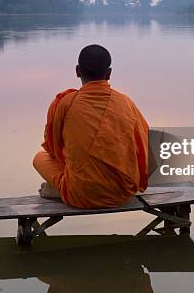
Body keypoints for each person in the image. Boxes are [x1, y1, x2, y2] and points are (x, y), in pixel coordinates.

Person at [33, 44, 149, 208]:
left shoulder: (65, 103)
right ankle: (67, 184)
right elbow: (142, 147)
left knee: (39, 158)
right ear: (109, 73)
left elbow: (53, 148)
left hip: (81, 196)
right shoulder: (126, 103)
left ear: (77, 71)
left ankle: (61, 188)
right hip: (123, 193)